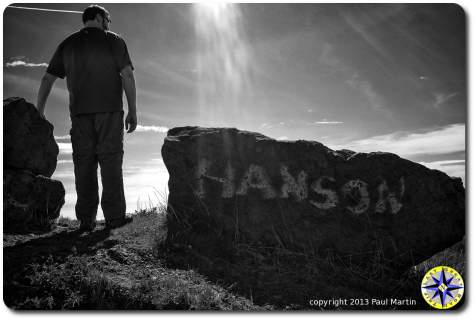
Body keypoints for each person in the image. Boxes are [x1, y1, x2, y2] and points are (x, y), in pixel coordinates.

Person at [36, 5, 137, 232]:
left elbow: (46, 79)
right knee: (110, 162)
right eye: (107, 20)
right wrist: (133, 109)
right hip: (109, 111)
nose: (108, 24)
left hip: (79, 115)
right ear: (100, 18)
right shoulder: (114, 40)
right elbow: (128, 75)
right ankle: (114, 218)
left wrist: (39, 111)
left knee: (83, 165)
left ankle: (86, 221)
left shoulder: (68, 43)